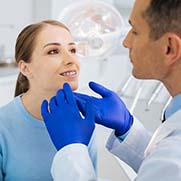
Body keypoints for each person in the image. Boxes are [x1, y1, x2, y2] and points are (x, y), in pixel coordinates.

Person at [41, 0, 181, 180]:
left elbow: (167, 165)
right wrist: (128, 128)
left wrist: (72, 150)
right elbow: (159, 169)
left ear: (169, 48)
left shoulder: (174, 154)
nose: (125, 42)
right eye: (53, 51)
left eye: (135, 31)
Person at [0, 20, 97, 180]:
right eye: (53, 51)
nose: (71, 60)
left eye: (72, 50)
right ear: (25, 68)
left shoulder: (82, 123)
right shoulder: (3, 126)